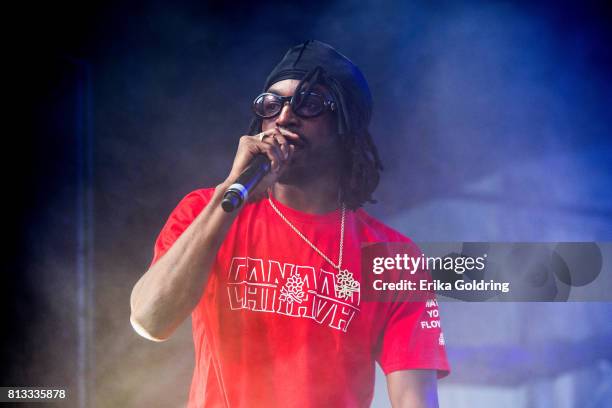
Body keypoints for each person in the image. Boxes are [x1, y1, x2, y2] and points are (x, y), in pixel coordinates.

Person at [130, 40, 450, 408]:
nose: (284, 117)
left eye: (309, 103)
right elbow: (150, 320)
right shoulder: (206, 211)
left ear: (347, 125)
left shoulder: (394, 258)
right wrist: (226, 198)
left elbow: (416, 399)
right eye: (271, 104)